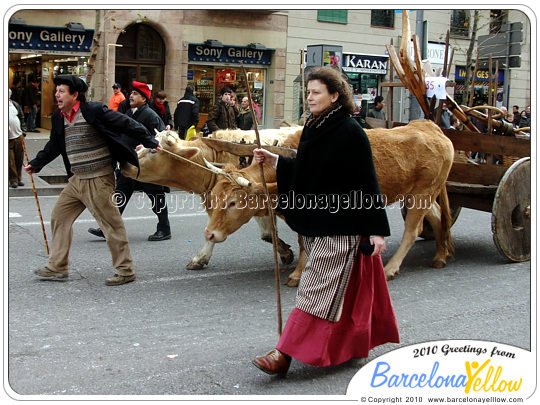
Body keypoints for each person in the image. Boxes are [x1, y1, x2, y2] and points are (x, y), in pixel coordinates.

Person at [251, 66, 399, 376]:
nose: (310, 97)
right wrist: (275, 159)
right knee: (340, 291)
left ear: (335, 95)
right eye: (308, 92)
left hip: (343, 225)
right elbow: (306, 171)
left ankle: (284, 354)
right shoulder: (314, 126)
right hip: (322, 222)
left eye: (316, 92)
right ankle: (351, 345)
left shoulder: (350, 131)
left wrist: (375, 230)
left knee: (315, 288)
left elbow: (367, 183)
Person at [25, 75, 161, 286]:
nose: (57, 95)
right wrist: (37, 163)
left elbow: (126, 123)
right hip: (77, 180)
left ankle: (125, 270)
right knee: (59, 217)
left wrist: (150, 140)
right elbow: (53, 145)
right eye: (56, 91)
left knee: (111, 224)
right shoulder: (58, 117)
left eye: (61, 91)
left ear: (74, 95)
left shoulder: (93, 111)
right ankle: (57, 267)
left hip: (99, 178)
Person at [88, 81, 172, 242]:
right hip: (130, 164)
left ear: (144, 98)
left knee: (156, 197)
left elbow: (161, 138)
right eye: (131, 93)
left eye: (135, 94)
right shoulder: (128, 113)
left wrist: (146, 147)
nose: (131, 96)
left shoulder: (151, 115)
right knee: (119, 195)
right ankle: (108, 228)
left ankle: (164, 228)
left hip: (148, 166)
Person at [8, 88, 26, 188]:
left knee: (19, 159)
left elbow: (21, 117)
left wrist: (23, 131)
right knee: (10, 160)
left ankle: (19, 178)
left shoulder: (15, 104)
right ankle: (13, 180)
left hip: (18, 136)